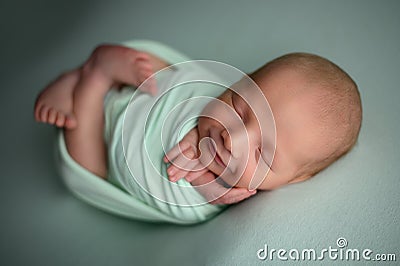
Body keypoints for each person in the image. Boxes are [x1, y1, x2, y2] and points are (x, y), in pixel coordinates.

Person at [34, 40, 362, 224]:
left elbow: (199, 192)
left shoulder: (236, 189)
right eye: (240, 107)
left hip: (106, 147)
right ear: (240, 80)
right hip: (148, 95)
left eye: (263, 152)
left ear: (293, 179)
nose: (232, 137)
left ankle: (91, 82)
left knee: (88, 168)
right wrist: (193, 133)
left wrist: (209, 184)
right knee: (173, 79)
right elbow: (191, 95)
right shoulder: (210, 93)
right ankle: (90, 73)